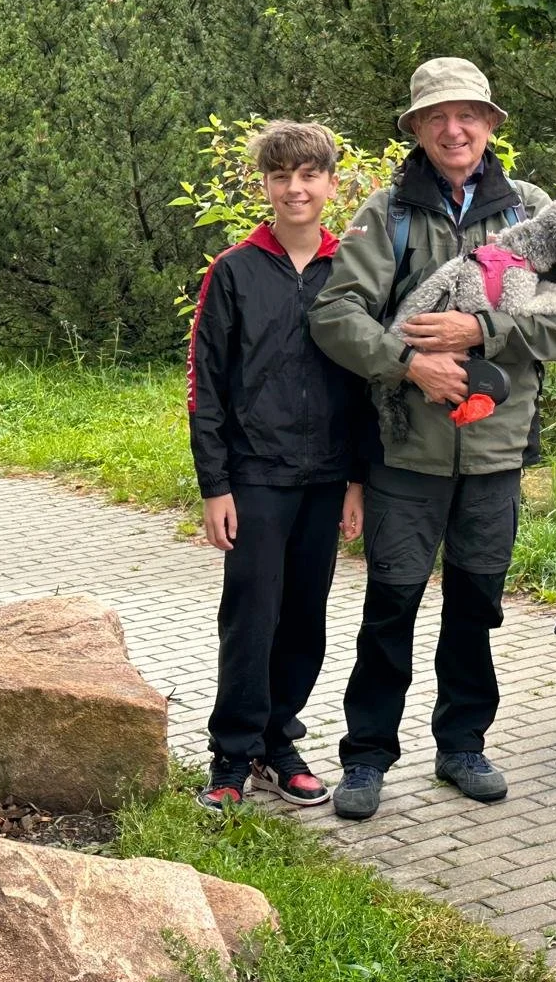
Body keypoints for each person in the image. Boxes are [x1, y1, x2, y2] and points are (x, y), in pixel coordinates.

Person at [309, 57, 556, 820]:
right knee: (391, 604)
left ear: (491, 124)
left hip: (496, 452)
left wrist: (480, 328)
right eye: (437, 116)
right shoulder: (388, 212)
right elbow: (336, 315)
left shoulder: (531, 212)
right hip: (405, 453)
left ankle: (463, 745)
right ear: (417, 129)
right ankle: (366, 758)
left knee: (477, 605)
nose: (453, 128)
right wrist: (410, 364)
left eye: (467, 114)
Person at [187, 120, 367, 811]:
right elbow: (206, 383)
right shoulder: (233, 271)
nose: (296, 188)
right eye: (281, 176)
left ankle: (277, 741)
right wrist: (216, 486)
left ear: (329, 182)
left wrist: (356, 479)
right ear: (264, 185)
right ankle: (231, 756)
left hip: (326, 478)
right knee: (251, 616)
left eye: (309, 174)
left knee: (305, 619)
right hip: (255, 476)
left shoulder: (349, 271)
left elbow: (362, 384)